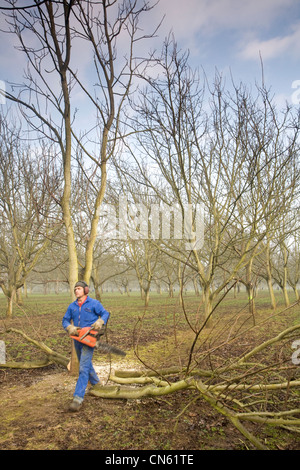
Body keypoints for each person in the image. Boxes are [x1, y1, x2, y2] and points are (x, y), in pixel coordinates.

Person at [62, 280, 110, 411]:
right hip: (77, 339)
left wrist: (100, 321)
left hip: (89, 339)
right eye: (75, 289)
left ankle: (78, 398)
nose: (76, 290)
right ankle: (96, 383)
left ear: (86, 290)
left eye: (78, 288)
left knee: (83, 367)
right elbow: (65, 319)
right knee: (86, 364)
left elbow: (106, 313)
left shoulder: (94, 303)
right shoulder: (72, 306)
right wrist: (69, 327)